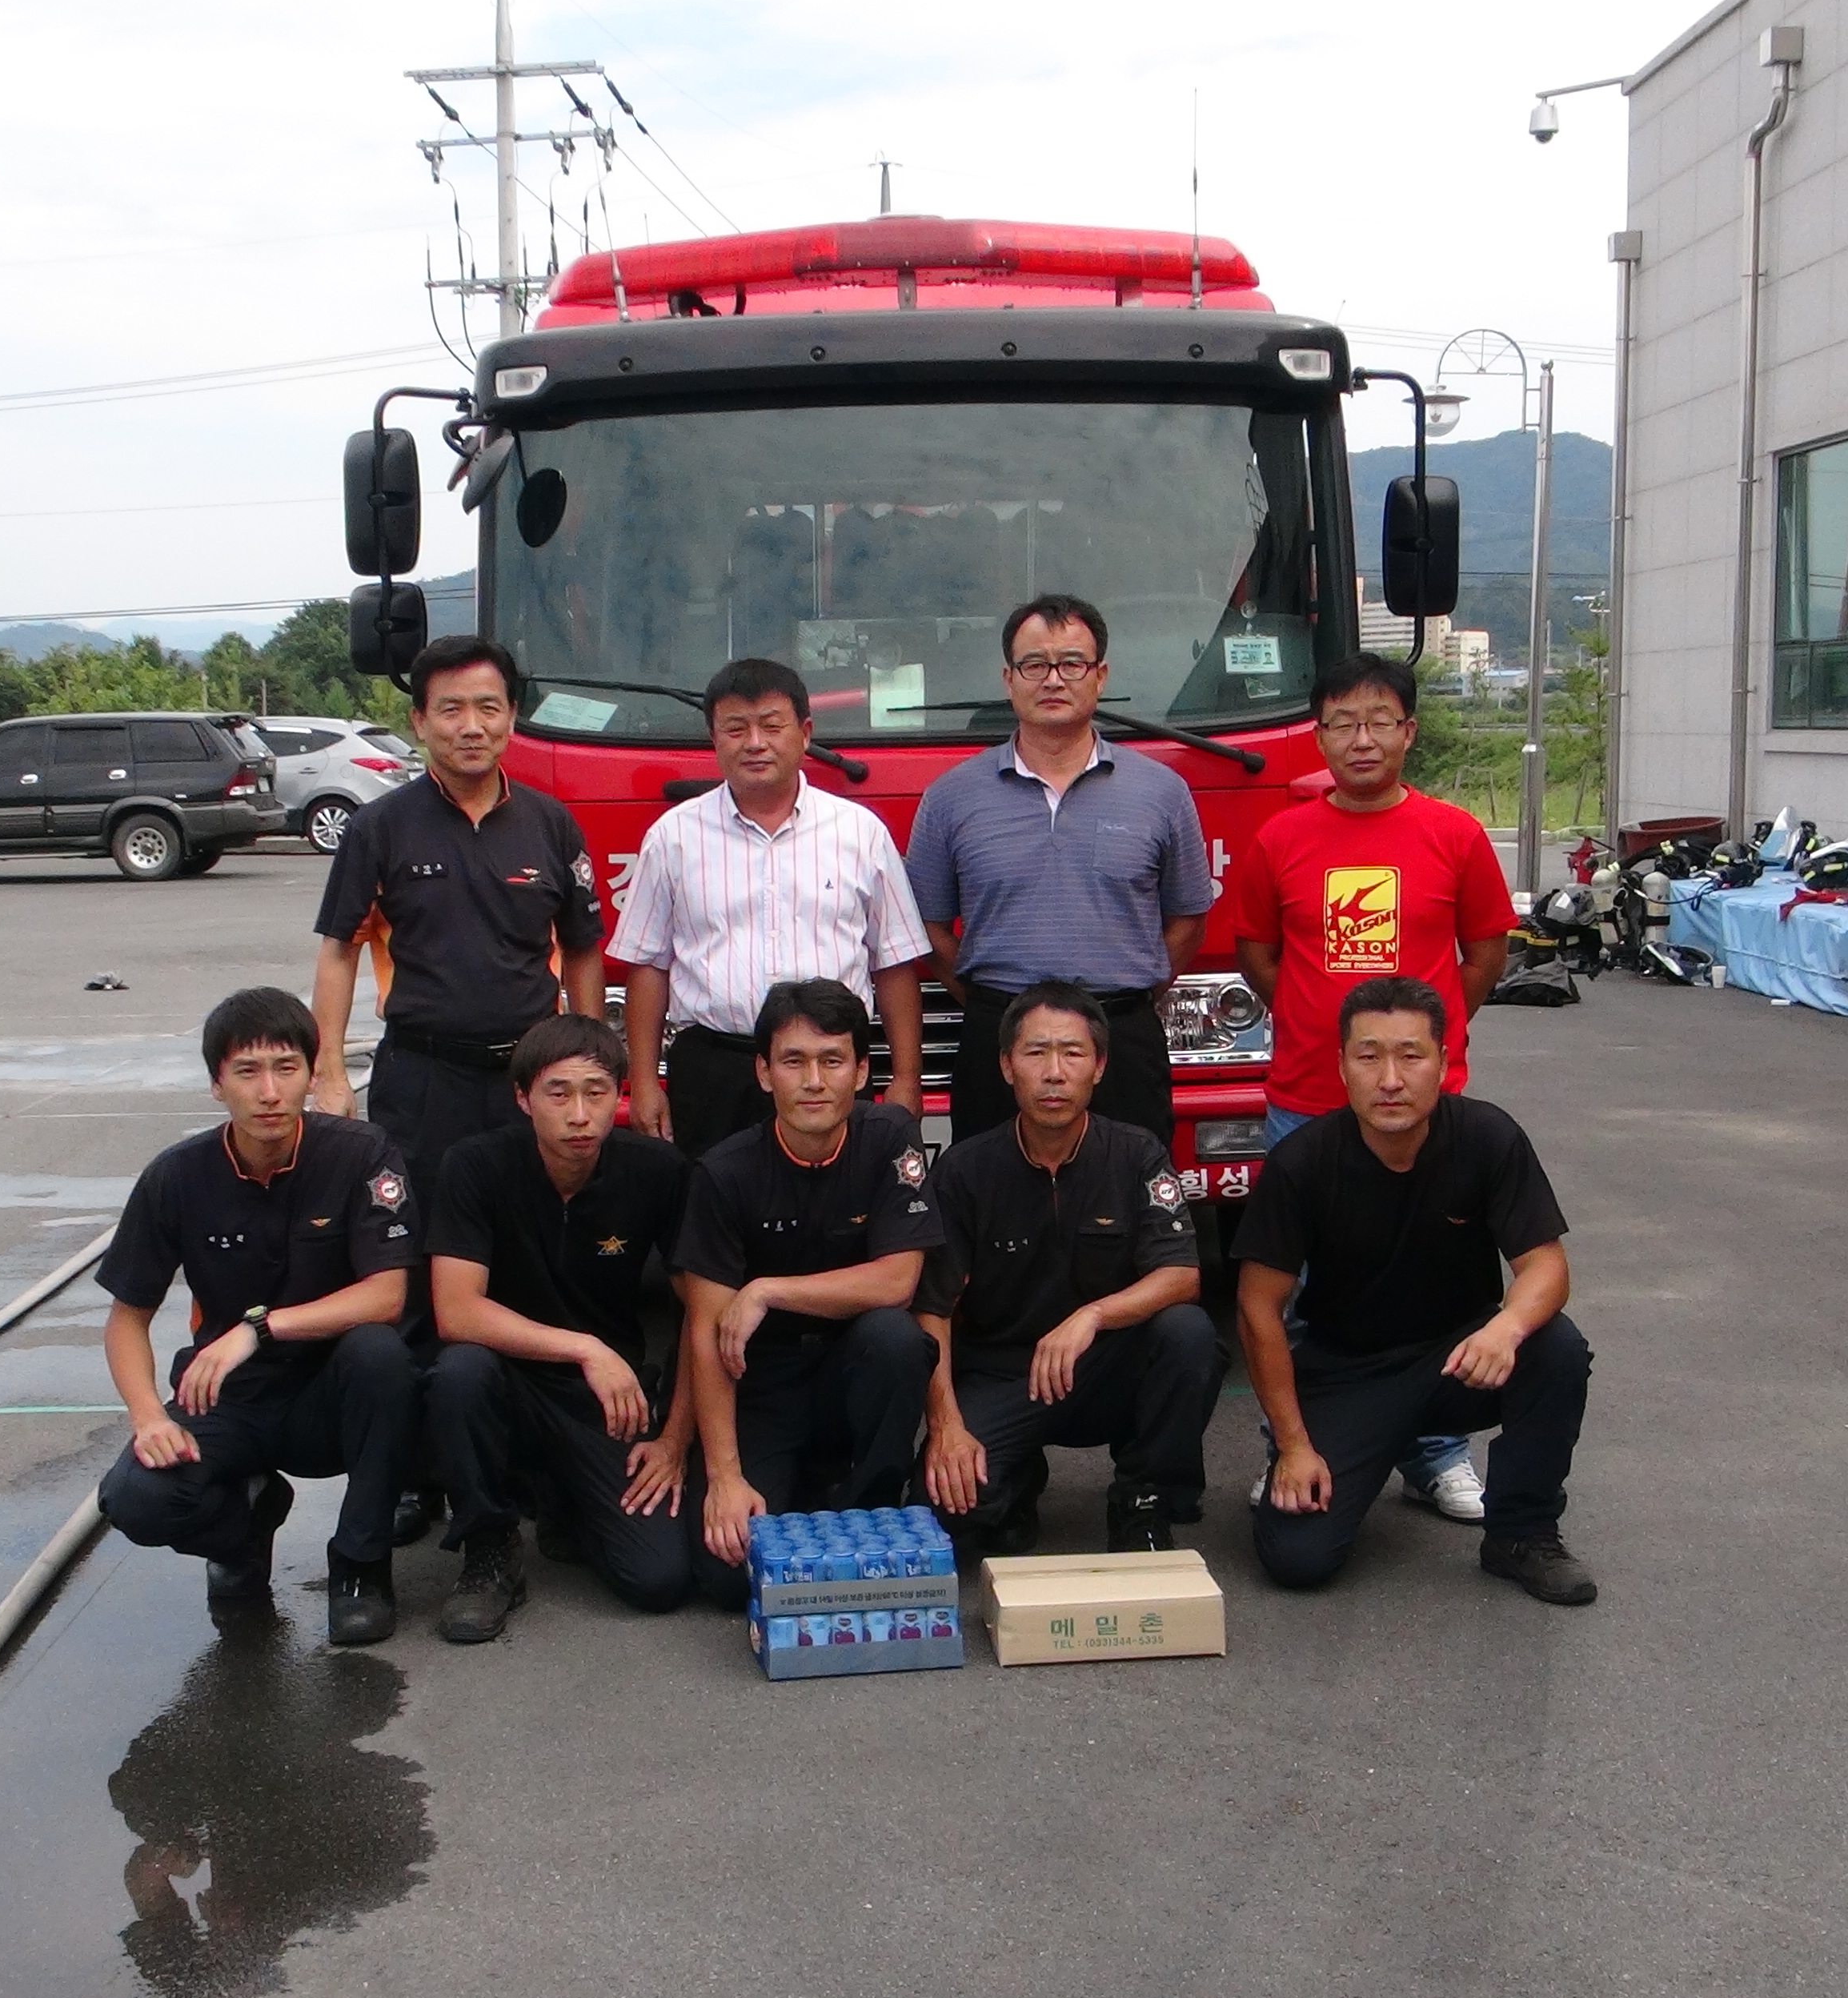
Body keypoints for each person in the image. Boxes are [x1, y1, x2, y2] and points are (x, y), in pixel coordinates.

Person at [1228, 650, 1519, 1524]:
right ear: (1319, 736)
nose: (1361, 739)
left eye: (1379, 721)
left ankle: (1435, 1455)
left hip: (1424, 1112)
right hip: (1305, 1100)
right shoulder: (1280, 839)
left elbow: (1484, 954)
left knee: (1431, 1292)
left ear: (1409, 732)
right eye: (1342, 723)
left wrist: (1429, 1043)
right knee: (1299, 1293)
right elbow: (1257, 954)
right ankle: (1293, 1448)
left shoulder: (1454, 835)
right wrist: (1315, 1024)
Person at [1233, 977, 1598, 1604]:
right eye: (1368, 1056)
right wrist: (1293, 1446)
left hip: (1458, 1360)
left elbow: (1546, 1266)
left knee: (1555, 1348)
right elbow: (1256, 1306)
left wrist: (1505, 1329)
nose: (1390, 1079)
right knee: (1298, 1559)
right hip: (1349, 1373)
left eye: (1411, 1056)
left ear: (1444, 1062)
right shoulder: (1302, 1163)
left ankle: (1522, 1534)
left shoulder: (1487, 1138)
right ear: (1341, 1066)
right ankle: (1342, 1458)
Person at [95, 987, 423, 1645]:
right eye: (247, 1072)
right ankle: (245, 1525)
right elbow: (127, 1317)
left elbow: (387, 1295)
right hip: (229, 1398)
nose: (269, 1092)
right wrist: (148, 1417)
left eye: (285, 1068)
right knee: (135, 1499)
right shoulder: (176, 1177)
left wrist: (259, 1328)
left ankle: (361, 1569)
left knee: (380, 1354)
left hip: (331, 1397)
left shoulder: (361, 1154)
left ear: (312, 1073)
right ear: (217, 1084)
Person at [418, 1014, 700, 1639]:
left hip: (606, 1400)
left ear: (618, 1095)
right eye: (558, 1093)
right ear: (523, 1098)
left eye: (596, 1093)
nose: (579, 1115)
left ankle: (564, 1498)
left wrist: (675, 1441)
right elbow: (456, 1310)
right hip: (508, 1381)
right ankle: (489, 1549)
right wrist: (584, 1348)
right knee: (458, 1372)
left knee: (658, 1579)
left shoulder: (657, 1171)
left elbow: (702, 1311)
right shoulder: (475, 1165)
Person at [916, 981, 1221, 1555]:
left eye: (1072, 1053)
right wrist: (946, 1427)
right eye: (1036, 1053)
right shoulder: (964, 1170)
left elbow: (1182, 1275)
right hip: (1004, 1376)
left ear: (1099, 1067)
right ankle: (1018, 1480)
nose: (1054, 1073)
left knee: (1188, 1333)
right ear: (1006, 1066)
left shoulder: (1137, 1154)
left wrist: (1092, 1316)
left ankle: (1143, 1497)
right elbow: (932, 1309)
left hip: (1105, 1366)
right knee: (949, 1514)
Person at [904, 593, 1215, 1142]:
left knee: (1128, 1187)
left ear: (1100, 676)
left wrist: (1122, 1000)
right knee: (991, 1190)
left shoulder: (1162, 793)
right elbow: (926, 927)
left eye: (1072, 663)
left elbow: (1188, 919)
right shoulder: (951, 797)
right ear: (1008, 679)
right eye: (1035, 665)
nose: (1053, 680)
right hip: (998, 1041)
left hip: (1121, 1042)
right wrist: (997, 1005)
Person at [679, 979, 944, 1605]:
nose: (815, 1081)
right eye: (794, 1061)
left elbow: (898, 1280)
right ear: (764, 1073)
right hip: (761, 1380)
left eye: (832, 1061)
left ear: (862, 1072)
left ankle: (871, 1508)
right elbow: (705, 1331)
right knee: (728, 1576)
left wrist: (768, 1290)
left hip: (850, 1370)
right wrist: (725, 1478)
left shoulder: (890, 1140)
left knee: (895, 1338)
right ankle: (801, 1486)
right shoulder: (723, 1173)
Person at [309, 632, 607, 1178]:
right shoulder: (378, 829)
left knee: (531, 1222)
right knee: (422, 1222)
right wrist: (328, 1072)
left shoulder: (551, 824)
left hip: (532, 1077)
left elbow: (583, 950)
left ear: (511, 718)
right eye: (451, 710)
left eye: (488, 708)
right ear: (420, 722)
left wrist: (589, 1068)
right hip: (422, 1080)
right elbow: (339, 952)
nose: (472, 727)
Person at [609, 657, 930, 1157]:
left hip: (829, 1065)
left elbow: (893, 962)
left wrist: (907, 1078)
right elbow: (649, 966)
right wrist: (645, 1082)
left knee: (837, 1200)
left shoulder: (860, 832)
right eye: (736, 728)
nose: (755, 743)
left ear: (805, 733)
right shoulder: (673, 837)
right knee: (713, 1198)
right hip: (715, 1070)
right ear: (714, 738)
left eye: (772, 726)